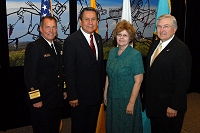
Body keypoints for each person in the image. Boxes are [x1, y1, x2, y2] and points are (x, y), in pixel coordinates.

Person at [144, 14, 192, 133]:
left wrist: (174, 105)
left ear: (174, 29)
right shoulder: (155, 44)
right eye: (159, 26)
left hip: (169, 108)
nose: (161, 30)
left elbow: (182, 81)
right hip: (154, 105)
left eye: (166, 26)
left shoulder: (181, 50)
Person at [63, 7, 104, 133]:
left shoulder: (98, 38)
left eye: (93, 19)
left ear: (97, 22)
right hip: (80, 98)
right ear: (80, 21)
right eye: (87, 19)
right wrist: (73, 96)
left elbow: (99, 67)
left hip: (96, 96)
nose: (90, 22)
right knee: (79, 128)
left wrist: (101, 91)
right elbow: (69, 70)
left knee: (91, 127)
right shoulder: (72, 40)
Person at [24, 16, 67, 133]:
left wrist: (63, 89)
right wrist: (36, 98)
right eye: (48, 27)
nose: (51, 30)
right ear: (41, 29)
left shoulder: (57, 46)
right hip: (42, 101)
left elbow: (60, 71)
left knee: (54, 129)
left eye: (53, 27)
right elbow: (30, 76)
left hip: (56, 99)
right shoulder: (35, 47)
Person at [104, 19, 144, 133]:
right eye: (119, 34)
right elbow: (109, 74)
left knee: (126, 127)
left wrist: (131, 103)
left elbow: (138, 81)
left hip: (127, 99)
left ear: (130, 37)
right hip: (112, 98)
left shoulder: (135, 55)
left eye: (125, 35)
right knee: (113, 126)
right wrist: (105, 93)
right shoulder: (112, 52)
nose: (121, 37)